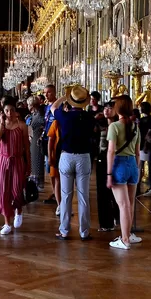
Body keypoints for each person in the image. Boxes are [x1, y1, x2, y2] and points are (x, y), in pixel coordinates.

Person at [52, 86, 94, 240]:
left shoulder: (64, 116)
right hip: (83, 157)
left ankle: (64, 230)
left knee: (66, 196)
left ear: (71, 101)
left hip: (67, 157)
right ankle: (84, 232)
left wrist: (65, 96)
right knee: (83, 197)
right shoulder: (89, 117)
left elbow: (53, 107)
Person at [106, 95, 142, 249]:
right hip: (133, 164)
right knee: (130, 203)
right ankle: (128, 234)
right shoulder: (135, 127)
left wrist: (108, 174)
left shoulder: (114, 126)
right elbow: (138, 152)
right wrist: (136, 167)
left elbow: (111, 151)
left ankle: (125, 239)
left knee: (122, 205)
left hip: (119, 164)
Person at [0, 97, 31, 235]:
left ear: (16, 112)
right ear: (3, 112)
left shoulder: (22, 125)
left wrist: (29, 164)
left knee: (17, 189)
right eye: (6, 110)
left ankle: (18, 211)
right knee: (4, 192)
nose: (9, 113)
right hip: (3, 160)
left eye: (12, 110)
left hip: (18, 160)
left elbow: (27, 147)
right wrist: (2, 123)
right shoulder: (0, 125)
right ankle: (6, 223)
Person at [95, 100, 120, 232]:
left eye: (110, 108)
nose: (106, 110)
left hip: (115, 159)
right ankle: (106, 222)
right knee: (102, 191)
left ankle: (118, 217)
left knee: (116, 190)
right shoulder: (100, 124)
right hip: (102, 159)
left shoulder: (118, 126)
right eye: (105, 108)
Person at [42, 84, 60, 207]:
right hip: (46, 139)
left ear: (54, 93)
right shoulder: (46, 108)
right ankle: (54, 192)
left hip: (55, 141)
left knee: (55, 169)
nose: (46, 95)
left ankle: (57, 194)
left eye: (48, 92)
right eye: (45, 93)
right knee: (50, 169)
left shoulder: (58, 107)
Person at [26, 96, 46, 191]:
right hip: (33, 139)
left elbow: (44, 125)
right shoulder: (34, 114)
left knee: (37, 160)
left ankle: (39, 182)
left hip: (38, 140)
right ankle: (35, 182)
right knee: (34, 161)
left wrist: (42, 135)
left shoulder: (40, 114)